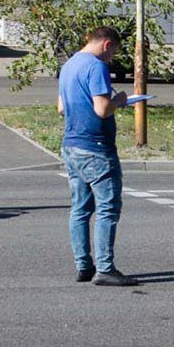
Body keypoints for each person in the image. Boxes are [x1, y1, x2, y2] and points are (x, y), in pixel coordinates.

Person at [57, 26, 137, 287]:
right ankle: (105, 268)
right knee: (107, 208)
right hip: (96, 147)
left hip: (71, 144)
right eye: (114, 51)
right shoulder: (96, 66)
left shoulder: (69, 65)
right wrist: (120, 101)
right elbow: (102, 109)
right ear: (106, 44)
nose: (112, 57)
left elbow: (61, 108)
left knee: (80, 209)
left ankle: (83, 265)